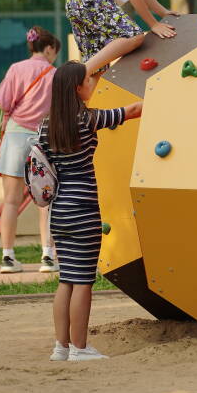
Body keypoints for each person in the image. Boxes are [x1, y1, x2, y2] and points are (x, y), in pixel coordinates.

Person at [41, 61, 142, 361]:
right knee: (83, 281)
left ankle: (61, 347)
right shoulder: (88, 119)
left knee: (66, 281)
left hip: (59, 210)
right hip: (84, 208)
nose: (92, 82)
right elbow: (132, 111)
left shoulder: (46, 125)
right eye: (88, 79)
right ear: (76, 88)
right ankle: (80, 348)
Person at [0, 26, 61, 273]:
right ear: (49, 48)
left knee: (11, 201)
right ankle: (48, 256)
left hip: (15, 136)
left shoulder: (16, 68)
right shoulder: (54, 74)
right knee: (46, 201)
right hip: (43, 139)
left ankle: (8, 257)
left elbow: (3, 101)